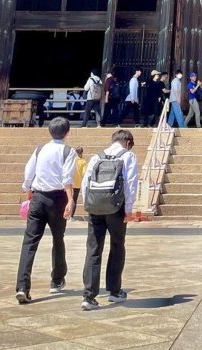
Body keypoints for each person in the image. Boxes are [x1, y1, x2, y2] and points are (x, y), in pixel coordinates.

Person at [15, 117, 77, 303]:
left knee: (29, 242)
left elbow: (29, 172)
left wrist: (28, 191)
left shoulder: (40, 149)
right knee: (58, 238)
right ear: (67, 133)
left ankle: (22, 286)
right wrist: (71, 199)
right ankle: (57, 279)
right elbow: (67, 177)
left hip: (38, 196)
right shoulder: (68, 151)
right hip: (57, 198)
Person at [80, 128, 138, 310]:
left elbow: (85, 182)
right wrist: (128, 210)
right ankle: (114, 291)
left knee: (93, 249)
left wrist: (88, 203)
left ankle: (89, 296)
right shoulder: (128, 156)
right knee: (117, 246)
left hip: (95, 207)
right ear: (127, 143)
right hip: (116, 208)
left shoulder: (97, 157)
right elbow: (131, 184)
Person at [71, 147, 87, 220]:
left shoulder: (72, 160)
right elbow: (84, 173)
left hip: (69, 183)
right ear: (82, 152)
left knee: (67, 199)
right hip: (77, 183)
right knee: (74, 199)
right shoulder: (83, 161)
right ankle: (71, 216)